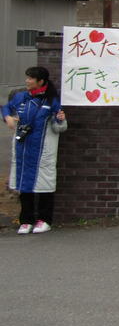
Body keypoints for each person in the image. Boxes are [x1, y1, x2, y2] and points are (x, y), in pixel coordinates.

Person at [2, 67, 67, 234]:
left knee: (44, 184)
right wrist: (8, 117)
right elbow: (6, 108)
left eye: (31, 78)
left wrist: (60, 120)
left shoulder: (52, 100)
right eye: (27, 78)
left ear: (41, 81)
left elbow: (60, 127)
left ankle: (44, 219)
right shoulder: (20, 97)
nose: (27, 81)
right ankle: (26, 220)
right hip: (23, 149)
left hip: (42, 150)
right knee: (24, 184)